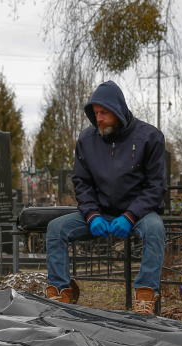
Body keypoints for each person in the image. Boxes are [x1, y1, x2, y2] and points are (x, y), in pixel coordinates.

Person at [45, 80, 166, 314]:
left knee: (156, 230)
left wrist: (130, 216)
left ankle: (145, 295)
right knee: (56, 229)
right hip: (99, 213)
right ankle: (60, 292)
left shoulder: (149, 137)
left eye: (103, 112)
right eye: (95, 113)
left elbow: (156, 186)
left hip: (138, 213)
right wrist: (91, 214)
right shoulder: (86, 140)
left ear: (118, 110)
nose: (98, 118)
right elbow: (82, 182)